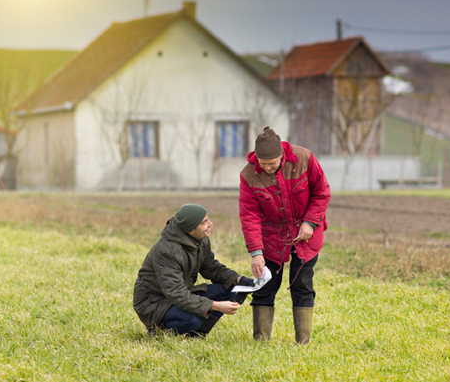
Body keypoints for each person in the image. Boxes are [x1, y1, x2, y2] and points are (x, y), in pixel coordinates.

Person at [239, 126, 331, 345]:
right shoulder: (249, 175)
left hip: (306, 234)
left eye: (272, 163)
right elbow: (249, 216)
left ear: (282, 155)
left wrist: (310, 222)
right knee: (265, 285)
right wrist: (256, 252)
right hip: (271, 237)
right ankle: (260, 341)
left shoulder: (304, 159)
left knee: (302, 284)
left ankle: (303, 343)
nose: (268, 167)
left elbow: (322, 192)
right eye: (263, 163)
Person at [133, 203, 254, 337]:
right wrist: (215, 306)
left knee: (230, 289)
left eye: (208, 219)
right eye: (204, 222)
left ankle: (197, 334)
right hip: (154, 304)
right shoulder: (167, 251)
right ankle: (158, 331)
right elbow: (176, 293)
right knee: (192, 320)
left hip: (179, 295)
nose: (211, 224)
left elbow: (212, 268)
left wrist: (238, 280)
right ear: (191, 230)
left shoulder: (200, 240)